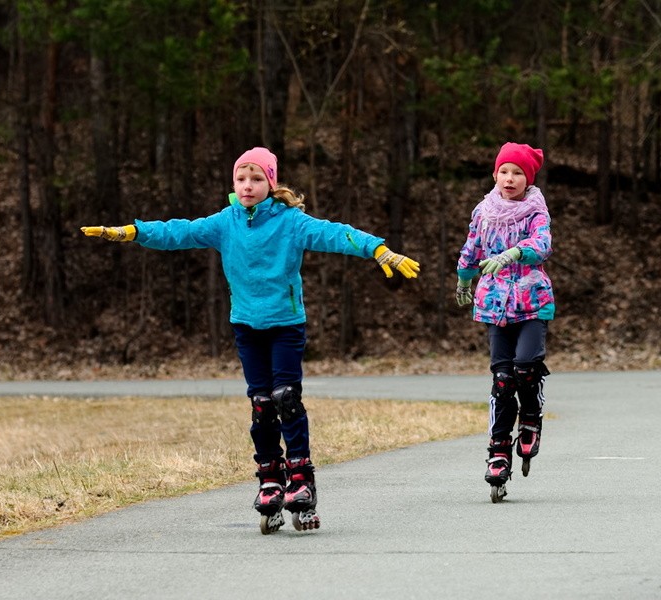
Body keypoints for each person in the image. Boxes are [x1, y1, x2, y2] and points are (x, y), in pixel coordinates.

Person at [81, 146, 420, 531]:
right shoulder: (225, 223)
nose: (247, 186)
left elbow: (336, 234)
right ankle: (270, 478)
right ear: (233, 184)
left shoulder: (292, 222)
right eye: (241, 179)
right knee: (261, 404)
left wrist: (378, 249)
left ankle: (301, 480)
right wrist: (134, 232)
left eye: (257, 178)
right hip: (246, 325)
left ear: (271, 183)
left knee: (286, 399)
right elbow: (180, 231)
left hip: (285, 324)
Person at [455, 142, 554, 503]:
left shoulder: (535, 211)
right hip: (496, 303)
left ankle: (530, 417)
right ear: (495, 174)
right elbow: (472, 247)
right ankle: (498, 450)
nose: (510, 178)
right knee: (502, 377)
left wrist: (516, 252)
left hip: (531, 302)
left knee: (526, 367)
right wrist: (464, 278)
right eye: (504, 171)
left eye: (518, 173)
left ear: (528, 179)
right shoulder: (484, 210)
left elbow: (542, 244)